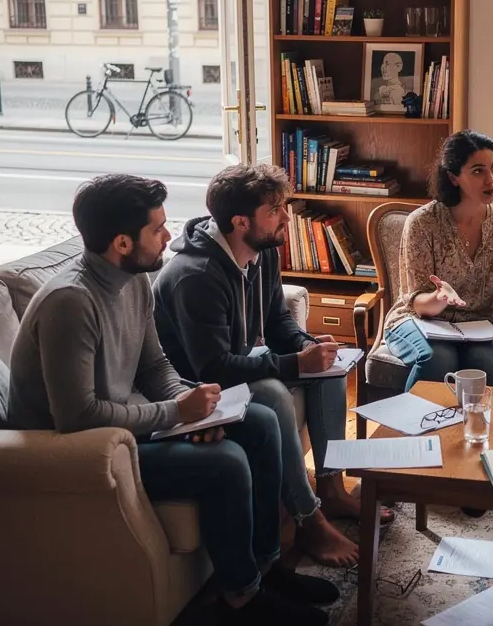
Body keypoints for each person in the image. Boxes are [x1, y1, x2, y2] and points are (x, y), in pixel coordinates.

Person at [8, 174, 337, 626]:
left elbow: (154, 367)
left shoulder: (134, 280)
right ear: (122, 242)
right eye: (158, 229)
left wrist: (191, 405)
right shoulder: (72, 303)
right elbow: (77, 417)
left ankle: (266, 569)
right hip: (81, 455)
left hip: (127, 428)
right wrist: (174, 415)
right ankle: (241, 599)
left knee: (259, 423)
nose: (170, 236)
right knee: (226, 463)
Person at [152, 164, 391, 558]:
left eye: (284, 205)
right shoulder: (195, 277)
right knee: (273, 392)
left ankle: (331, 488)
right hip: (199, 387)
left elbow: (278, 321)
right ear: (240, 221)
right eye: (275, 209)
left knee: (330, 371)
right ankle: (307, 519)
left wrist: (309, 346)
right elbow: (214, 368)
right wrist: (297, 363)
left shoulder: (261, 251)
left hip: (239, 363)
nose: (287, 217)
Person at [381, 130, 493, 390]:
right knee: (438, 357)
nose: (491, 178)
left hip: (481, 325)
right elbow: (418, 303)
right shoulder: (423, 223)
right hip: (420, 320)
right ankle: (416, 429)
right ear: (454, 177)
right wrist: (439, 298)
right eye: (478, 171)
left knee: (482, 362)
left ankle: (484, 430)